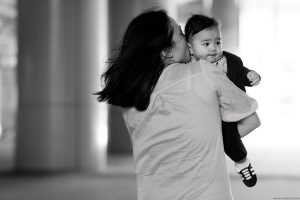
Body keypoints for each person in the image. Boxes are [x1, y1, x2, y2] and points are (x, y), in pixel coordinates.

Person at [95, 8, 260, 200]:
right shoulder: (204, 71)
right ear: (166, 52)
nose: (188, 41)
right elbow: (251, 121)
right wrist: (211, 141)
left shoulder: (130, 97)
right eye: (181, 35)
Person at [184, 14, 261, 187]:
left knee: (252, 122)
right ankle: (242, 161)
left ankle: (223, 145)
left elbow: (241, 73)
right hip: (210, 113)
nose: (213, 48)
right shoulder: (189, 66)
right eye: (206, 44)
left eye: (217, 42)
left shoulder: (231, 60)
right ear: (190, 48)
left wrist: (250, 76)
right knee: (227, 135)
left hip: (233, 107)